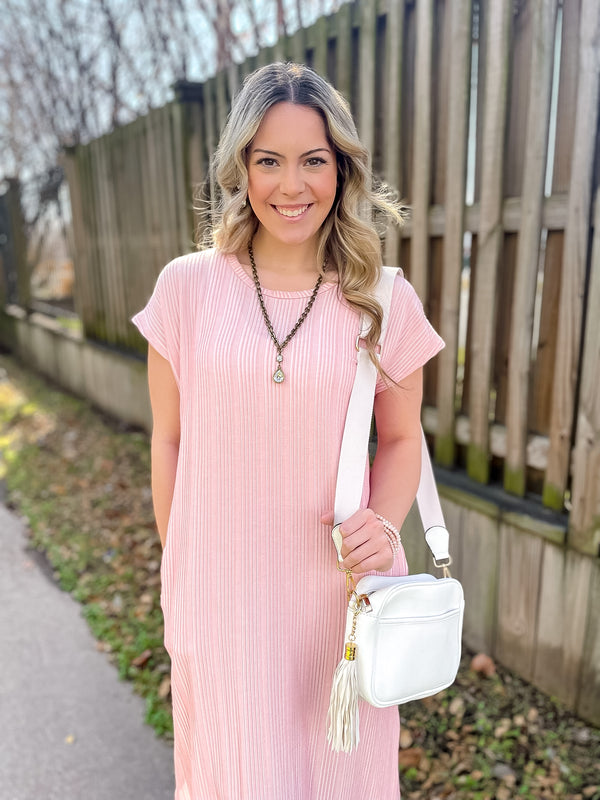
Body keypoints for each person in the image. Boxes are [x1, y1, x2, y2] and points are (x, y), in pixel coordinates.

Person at [132, 61, 443, 800]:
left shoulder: (384, 300)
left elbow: (402, 440)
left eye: (313, 160)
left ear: (342, 168)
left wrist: (384, 524)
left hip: (334, 601)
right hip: (220, 600)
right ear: (243, 166)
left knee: (335, 777)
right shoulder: (186, 288)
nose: (291, 185)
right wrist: (182, 570)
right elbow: (169, 438)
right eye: (269, 160)